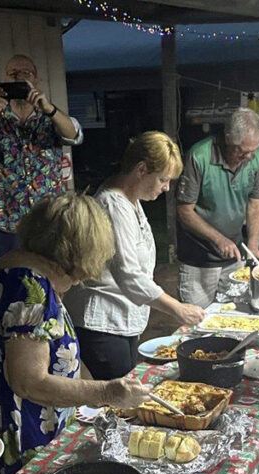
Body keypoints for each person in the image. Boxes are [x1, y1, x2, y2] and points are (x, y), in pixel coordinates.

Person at [0, 193, 149, 474]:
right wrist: (107, 392)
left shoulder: (7, 266)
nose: (79, 280)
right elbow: (29, 382)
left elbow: (56, 351)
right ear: (72, 255)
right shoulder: (29, 288)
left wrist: (97, 396)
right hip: (22, 434)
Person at [64, 131, 205, 379]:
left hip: (122, 321)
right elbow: (129, 274)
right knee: (118, 401)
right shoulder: (112, 205)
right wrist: (178, 309)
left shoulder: (131, 199)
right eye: (163, 179)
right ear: (141, 169)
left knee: (126, 393)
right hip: (103, 324)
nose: (166, 187)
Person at [0, 54, 83, 260]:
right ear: (5, 79)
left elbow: (75, 135)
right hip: (8, 224)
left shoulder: (51, 117)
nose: (19, 78)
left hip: (49, 221)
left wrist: (49, 109)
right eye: (13, 74)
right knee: (11, 282)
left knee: (52, 280)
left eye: (26, 73)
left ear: (36, 80)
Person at [175, 107, 259, 307]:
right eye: (242, 152)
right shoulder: (199, 156)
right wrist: (218, 239)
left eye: (253, 150)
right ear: (227, 138)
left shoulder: (257, 156)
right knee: (196, 323)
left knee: (234, 316)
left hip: (235, 258)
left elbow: (255, 205)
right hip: (198, 259)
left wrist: (253, 247)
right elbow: (184, 210)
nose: (249, 157)